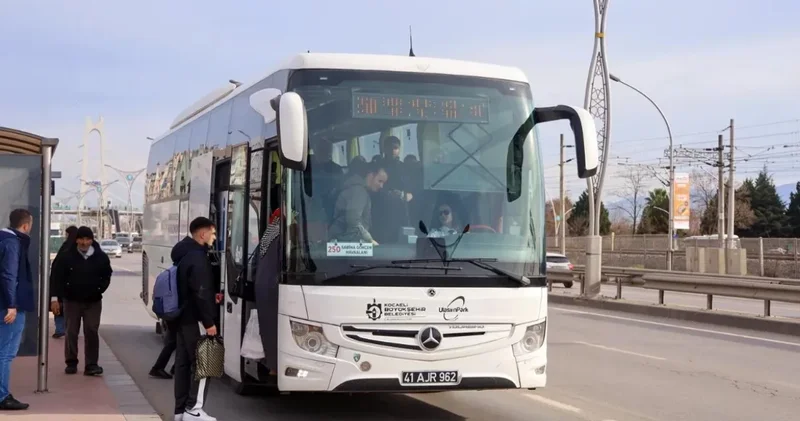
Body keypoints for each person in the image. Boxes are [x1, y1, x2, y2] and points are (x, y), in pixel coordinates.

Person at [171, 217, 218, 421]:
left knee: (183, 364)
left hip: (182, 318)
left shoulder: (183, 253)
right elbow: (201, 293)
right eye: (213, 233)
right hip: (196, 319)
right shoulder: (198, 257)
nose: (214, 237)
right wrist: (209, 323)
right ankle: (194, 409)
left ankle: (180, 411)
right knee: (205, 362)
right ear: (203, 234)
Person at [51, 226, 112, 376]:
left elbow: (107, 276)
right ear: (77, 240)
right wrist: (55, 298)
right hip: (71, 301)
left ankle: (91, 364)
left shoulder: (101, 257)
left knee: (91, 330)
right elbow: (56, 278)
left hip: (93, 301)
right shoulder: (67, 257)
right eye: (81, 239)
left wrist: (99, 289)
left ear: (92, 240)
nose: (84, 242)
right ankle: (71, 362)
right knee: (71, 331)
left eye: (87, 239)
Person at [0, 209, 35, 411]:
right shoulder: (13, 243)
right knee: (5, 353)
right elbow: (9, 275)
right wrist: (12, 305)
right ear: (25, 226)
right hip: (8, 307)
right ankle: (3, 396)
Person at [328, 161, 387, 245]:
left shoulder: (356, 189)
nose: (381, 186)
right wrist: (370, 240)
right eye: (380, 181)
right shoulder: (358, 191)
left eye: (383, 183)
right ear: (370, 176)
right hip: (345, 243)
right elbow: (353, 220)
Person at [49, 225, 78, 339]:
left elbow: (56, 265)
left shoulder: (65, 247)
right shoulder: (79, 248)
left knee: (59, 307)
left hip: (61, 283)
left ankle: (60, 329)